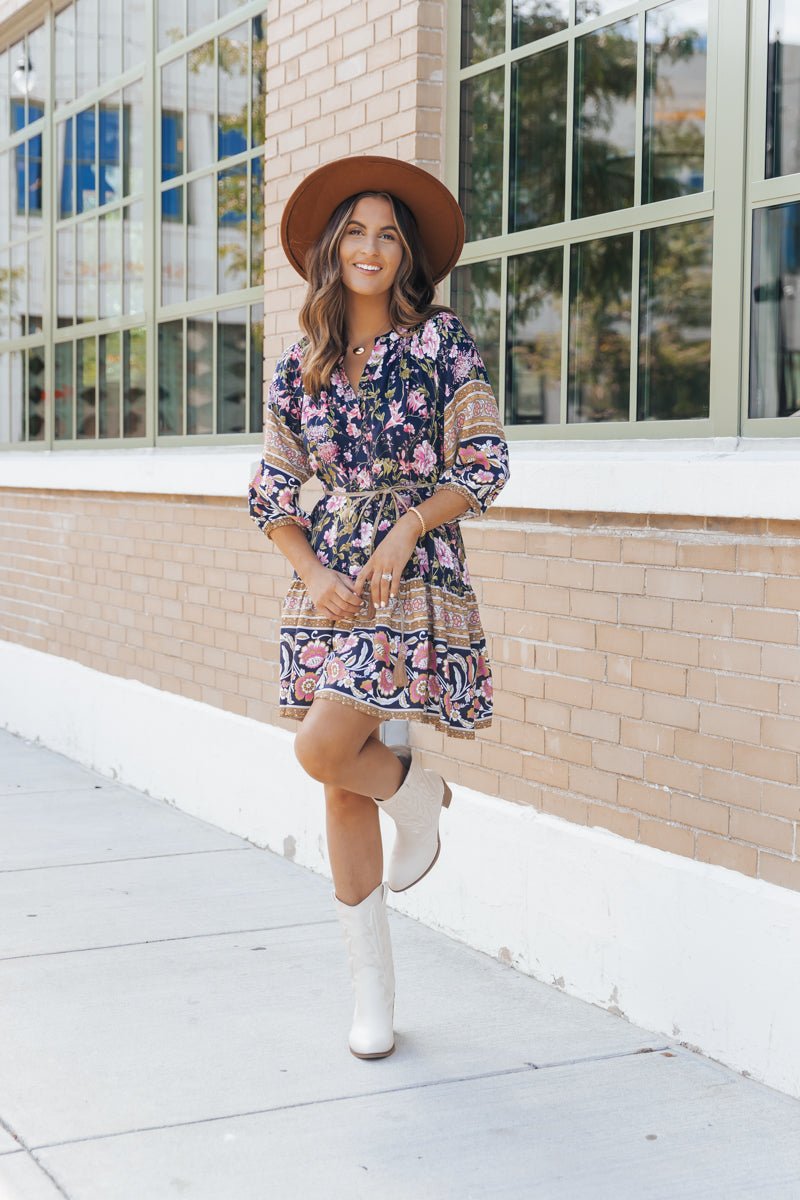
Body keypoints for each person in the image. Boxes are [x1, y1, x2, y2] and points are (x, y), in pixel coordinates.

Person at [248, 155, 509, 1060]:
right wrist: (313, 571)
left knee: (322, 746)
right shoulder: (301, 363)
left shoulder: (442, 342)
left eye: (387, 234)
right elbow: (271, 489)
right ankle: (373, 994)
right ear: (332, 249)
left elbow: (484, 466)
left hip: (414, 581)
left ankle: (419, 795)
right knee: (336, 773)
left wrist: (402, 531)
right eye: (355, 232)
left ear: (407, 254)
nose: (370, 248)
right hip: (330, 592)